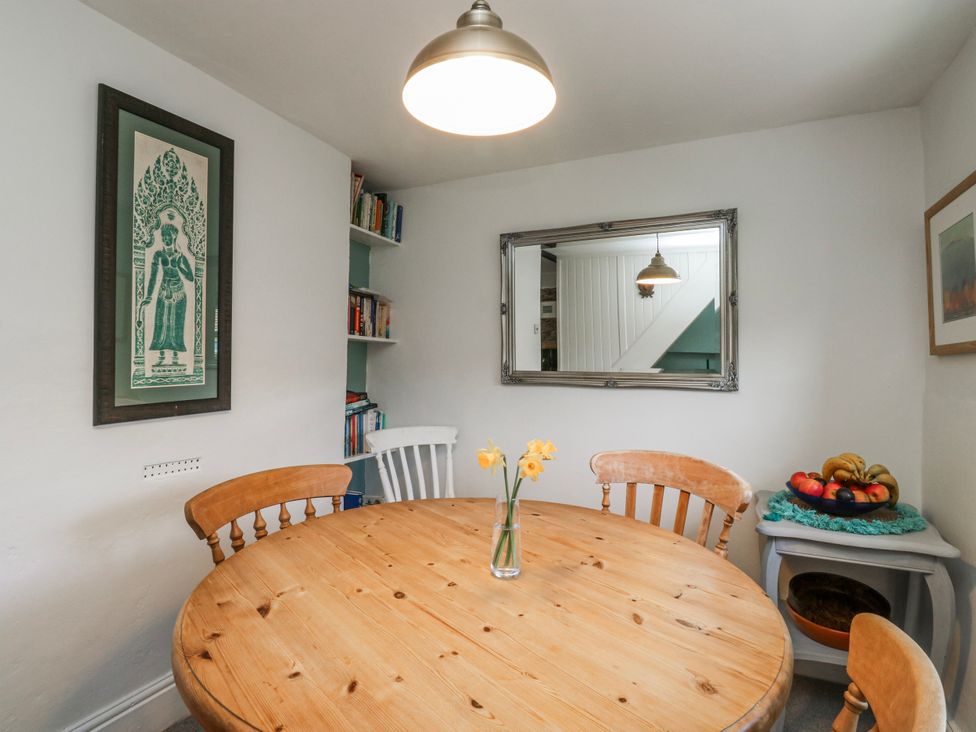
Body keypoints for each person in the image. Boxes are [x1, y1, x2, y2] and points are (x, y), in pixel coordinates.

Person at [141, 220, 193, 367]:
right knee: (161, 322)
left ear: (174, 237)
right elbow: (153, 277)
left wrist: (180, 267)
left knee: (176, 323)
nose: (165, 239)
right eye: (163, 237)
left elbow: (190, 277)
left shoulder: (180, 256)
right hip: (164, 291)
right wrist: (149, 296)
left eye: (168, 237)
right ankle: (162, 355)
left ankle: (176, 356)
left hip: (179, 292)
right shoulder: (158, 255)